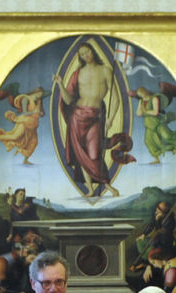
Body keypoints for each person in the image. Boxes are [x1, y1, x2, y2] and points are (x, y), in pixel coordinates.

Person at [53, 44, 132, 197]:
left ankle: (107, 185)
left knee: (94, 154)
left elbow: (115, 98)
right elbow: (68, 100)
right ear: (80, 57)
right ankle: (90, 189)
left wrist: (110, 118)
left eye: (87, 52)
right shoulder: (77, 73)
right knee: (81, 154)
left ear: (93, 51)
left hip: (95, 117)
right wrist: (60, 84)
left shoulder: (105, 71)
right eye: (82, 54)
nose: (86, 56)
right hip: (77, 116)